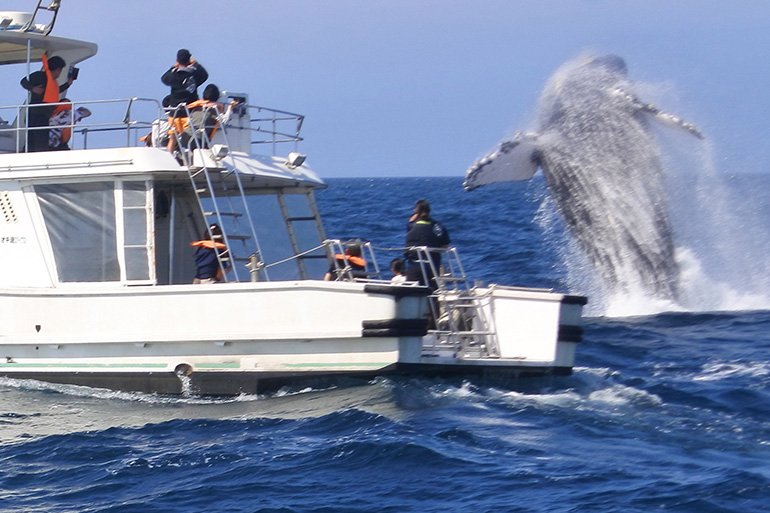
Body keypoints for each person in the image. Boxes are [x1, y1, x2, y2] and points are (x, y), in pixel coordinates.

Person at [20, 55, 76, 151]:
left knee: (38, 139)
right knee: (38, 140)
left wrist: (68, 84)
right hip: (36, 114)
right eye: (60, 70)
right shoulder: (40, 75)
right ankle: (35, 157)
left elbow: (54, 92)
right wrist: (33, 88)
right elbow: (24, 81)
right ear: (57, 69)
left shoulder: (52, 82)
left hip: (43, 116)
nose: (59, 73)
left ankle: (32, 155)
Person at [167, 83, 239, 153]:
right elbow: (223, 121)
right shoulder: (214, 109)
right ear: (217, 96)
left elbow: (189, 121)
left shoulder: (197, 106)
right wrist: (230, 108)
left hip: (185, 136)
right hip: (197, 139)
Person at [404, 199, 450, 288]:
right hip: (432, 267)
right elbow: (446, 245)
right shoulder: (438, 226)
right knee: (432, 293)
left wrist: (416, 215)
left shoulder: (411, 226)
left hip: (414, 267)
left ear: (417, 212)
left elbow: (410, 222)